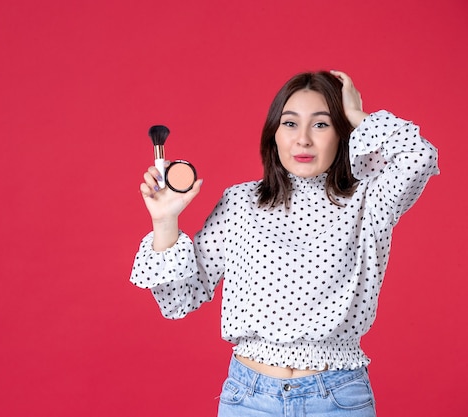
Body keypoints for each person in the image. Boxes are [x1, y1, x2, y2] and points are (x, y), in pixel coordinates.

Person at [130, 70, 439, 416]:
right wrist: (164, 220)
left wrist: (355, 113)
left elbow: (418, 156)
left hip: (337, 399)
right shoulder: (240, 203)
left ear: (342, 134)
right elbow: (178, 299)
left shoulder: (369, 200)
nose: (303, 139)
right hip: (248, 398)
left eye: (321, 124)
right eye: (290, 124)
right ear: (273, 134)